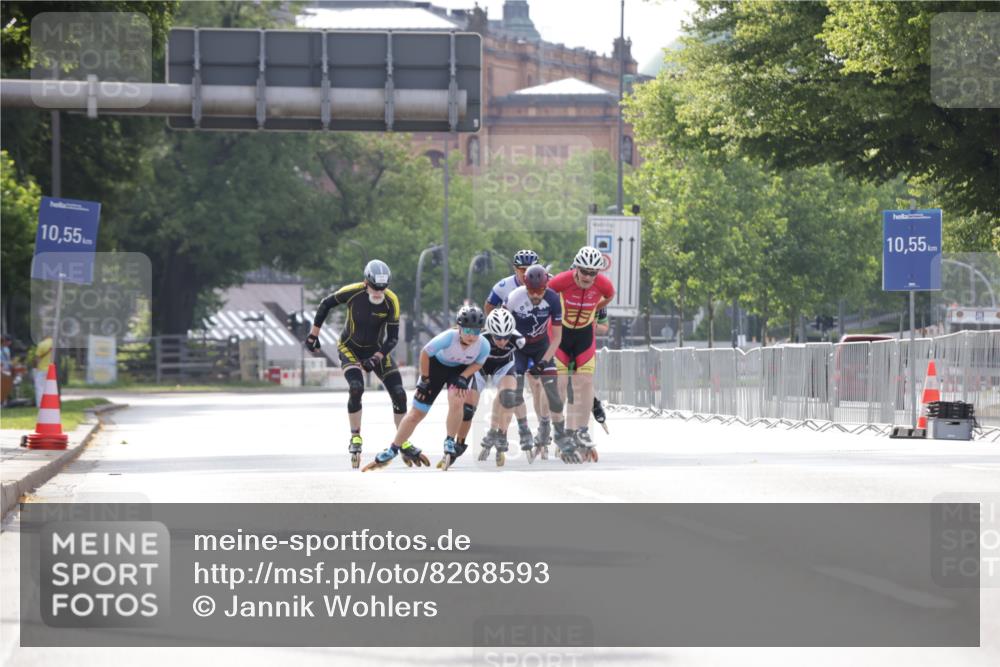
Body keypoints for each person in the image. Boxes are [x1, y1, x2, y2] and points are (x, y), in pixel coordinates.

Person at [306, 259, 407, 469]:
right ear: (365, 282)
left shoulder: (392, 300)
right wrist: (313, 335)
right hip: (349, 347)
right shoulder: (353, 291)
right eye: (374, 288)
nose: (379, 292)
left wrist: (376, 358)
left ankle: (402, 440)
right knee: (356, 387)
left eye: (383, 288)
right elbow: (326, 304)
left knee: (399, 392)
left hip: (376, 349)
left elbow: (393, 338)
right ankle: (356, 437)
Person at [364, 305, 490, 472]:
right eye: (467, 330)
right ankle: (393, 449)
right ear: (459, 327)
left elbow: (478, 363)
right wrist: (424, 379)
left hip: (459, 371)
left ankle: (450, 441)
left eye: (476, 331)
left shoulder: (483, 345)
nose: (471, 336)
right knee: (417, 413)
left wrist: (463, 376)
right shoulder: (448, 337)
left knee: (458, 400)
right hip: (436, 368)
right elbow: (425, 353)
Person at [548, 246, 615, 461]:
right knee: (560, 384)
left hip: (585, 336)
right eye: (584, 271)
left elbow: (610, 296)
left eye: (592, 273)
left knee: (585, 381)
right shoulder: (561, 280)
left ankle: (581, 430)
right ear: (576, 268)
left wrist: (595, 308)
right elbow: (545, 298)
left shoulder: (604, 285)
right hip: (562, 335)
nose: (588, 276)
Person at [505, 265, 569, 462]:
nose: (535, 296)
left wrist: (542, 363)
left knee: (553, 392)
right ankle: (523, 428)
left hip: (541, 345)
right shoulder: (515, 298)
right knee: (516, 390)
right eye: (531, 291)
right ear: (525, 286)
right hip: (518, 346)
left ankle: (549, 428)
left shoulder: (552, 299)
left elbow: (557, 337)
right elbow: (503, 329)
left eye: (539, 291)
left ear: (545, 287)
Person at [457, 307, 524, 468]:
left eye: (506, 337)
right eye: (497, 337)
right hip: (480, 367)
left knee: (508, 397)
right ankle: (458, 443)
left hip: (504, 366)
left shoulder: (519, 340)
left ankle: (501, 433)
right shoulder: (479, 337)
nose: (502, 341)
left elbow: (524, 362)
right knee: (468, 408)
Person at [31, 336, 54, 407]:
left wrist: (34, 368)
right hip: (52, 369)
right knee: (50, 388)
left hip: (42, 369)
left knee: (40, 387)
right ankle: (50, 404)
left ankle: (40, 405)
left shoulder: (42, 344)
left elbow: (37, 358)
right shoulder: (55, 343)